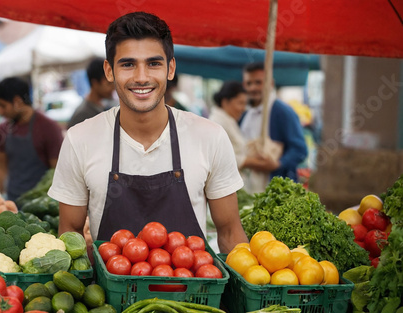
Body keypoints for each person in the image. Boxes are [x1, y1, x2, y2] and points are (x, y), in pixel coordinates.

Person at [48, 11, 248, 253]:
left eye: (154, 63)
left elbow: (229, 232)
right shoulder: (79, 140)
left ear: (170, 69)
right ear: (109, 71)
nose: (141, 78)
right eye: (128, 64)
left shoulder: (210, 137)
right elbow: (70, 235)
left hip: (194, 289)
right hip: (109, 290)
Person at [239, 62, 308, 193]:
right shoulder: (245, 113)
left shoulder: (282, 112)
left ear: (270, 83)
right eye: (249, 83)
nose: (253, 87)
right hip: (248, 188)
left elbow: (300, 149)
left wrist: (278, 164)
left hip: (276, 190)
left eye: (258, 82)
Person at [0, 77, 63, 203]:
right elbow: (1, 168)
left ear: (18, 102)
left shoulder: (49, 128)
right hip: (12, 203)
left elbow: (58, 173)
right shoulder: (2, 130)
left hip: (40, 206)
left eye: (2, 105)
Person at [209, 81, 277, 193]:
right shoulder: (217, 123)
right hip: (224, 187)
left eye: (245, 104)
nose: (243, 108)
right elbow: (219, 158)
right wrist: (255, 162)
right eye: (240, 103)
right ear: (225, 102)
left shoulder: (229, 121)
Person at [67, 58, 115, 128]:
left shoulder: (103, 107)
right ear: (95, 83)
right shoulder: (82, 116)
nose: (113, 88)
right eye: (108, 84)